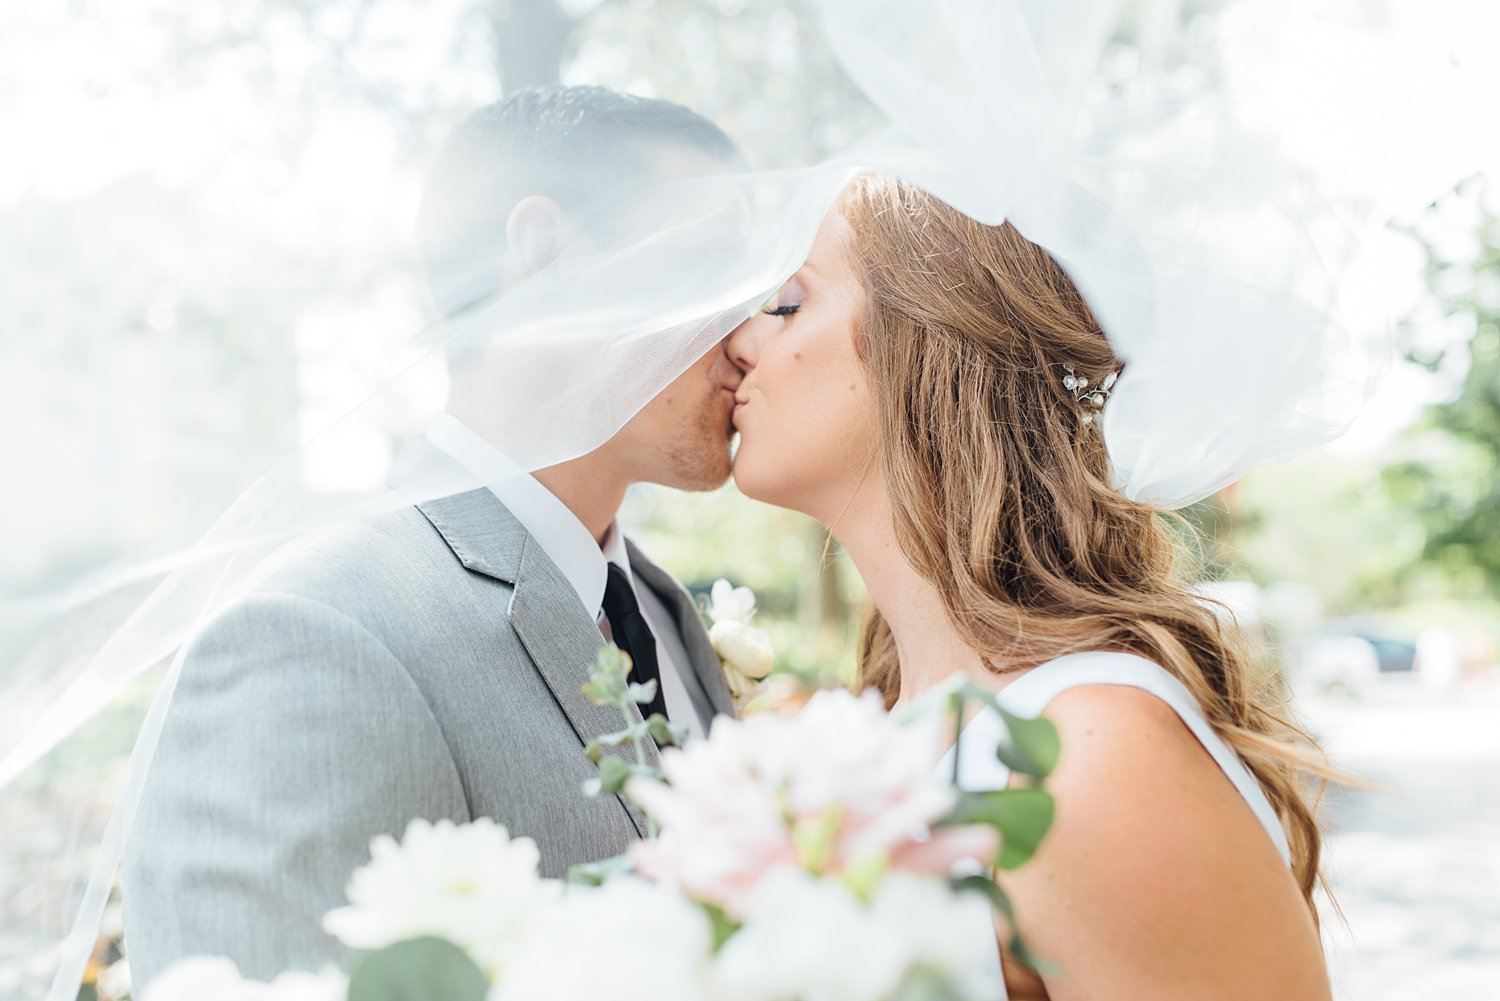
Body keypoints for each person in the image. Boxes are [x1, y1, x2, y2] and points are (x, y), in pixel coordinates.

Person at [122, 85, 743, 990]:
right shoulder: (313, 637)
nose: (750, 334)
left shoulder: (660, 609)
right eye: (714, 269)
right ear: (545, 253)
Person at [725, 174, 1334, 999]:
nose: (740, 341)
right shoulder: (879, 718)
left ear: (927, 342)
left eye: (791, 302)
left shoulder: (1093, 752)